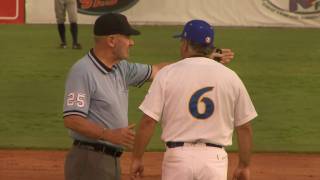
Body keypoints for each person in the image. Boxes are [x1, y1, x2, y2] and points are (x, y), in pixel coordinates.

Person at [63, 13, 234, 180]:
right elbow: (72, 119)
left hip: (108, 159)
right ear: (111, 40)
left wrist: (204, 58)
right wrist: (108, 134)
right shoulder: (83, 71)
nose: (132, 42)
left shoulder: (121, 69)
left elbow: (159, 70)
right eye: (128, 37)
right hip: (89, 158)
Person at [130, 19, 257, 180]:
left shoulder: (167, 74)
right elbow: (244, 127)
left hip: (178, 160)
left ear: (185, 44)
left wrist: (137, 158)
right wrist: (243, 166)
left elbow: (148, 121)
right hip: (215, 161)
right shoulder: (231, 77)